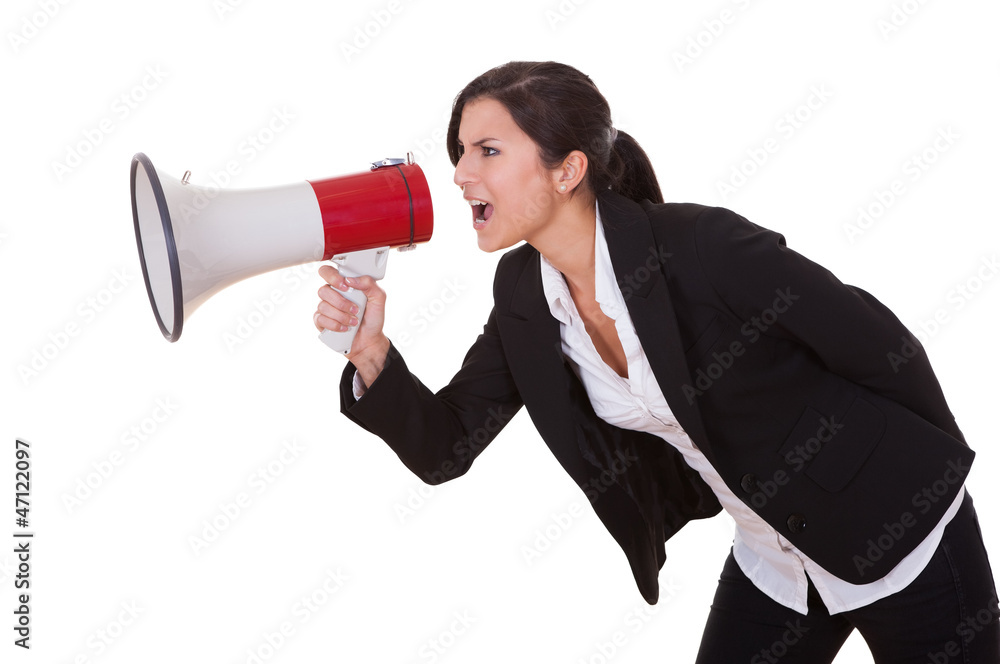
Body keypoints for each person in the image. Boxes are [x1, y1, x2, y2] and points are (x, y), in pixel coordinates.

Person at [312, 61, 999, 663]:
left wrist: (928, 482)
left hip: (905, 538)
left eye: (487, 150)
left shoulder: (704, 247)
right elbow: (447, 447)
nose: (460, 175)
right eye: (460, 150)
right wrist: (373, 352)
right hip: (777, 559)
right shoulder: (525, 292)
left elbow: (879, 344)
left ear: (568, 168)